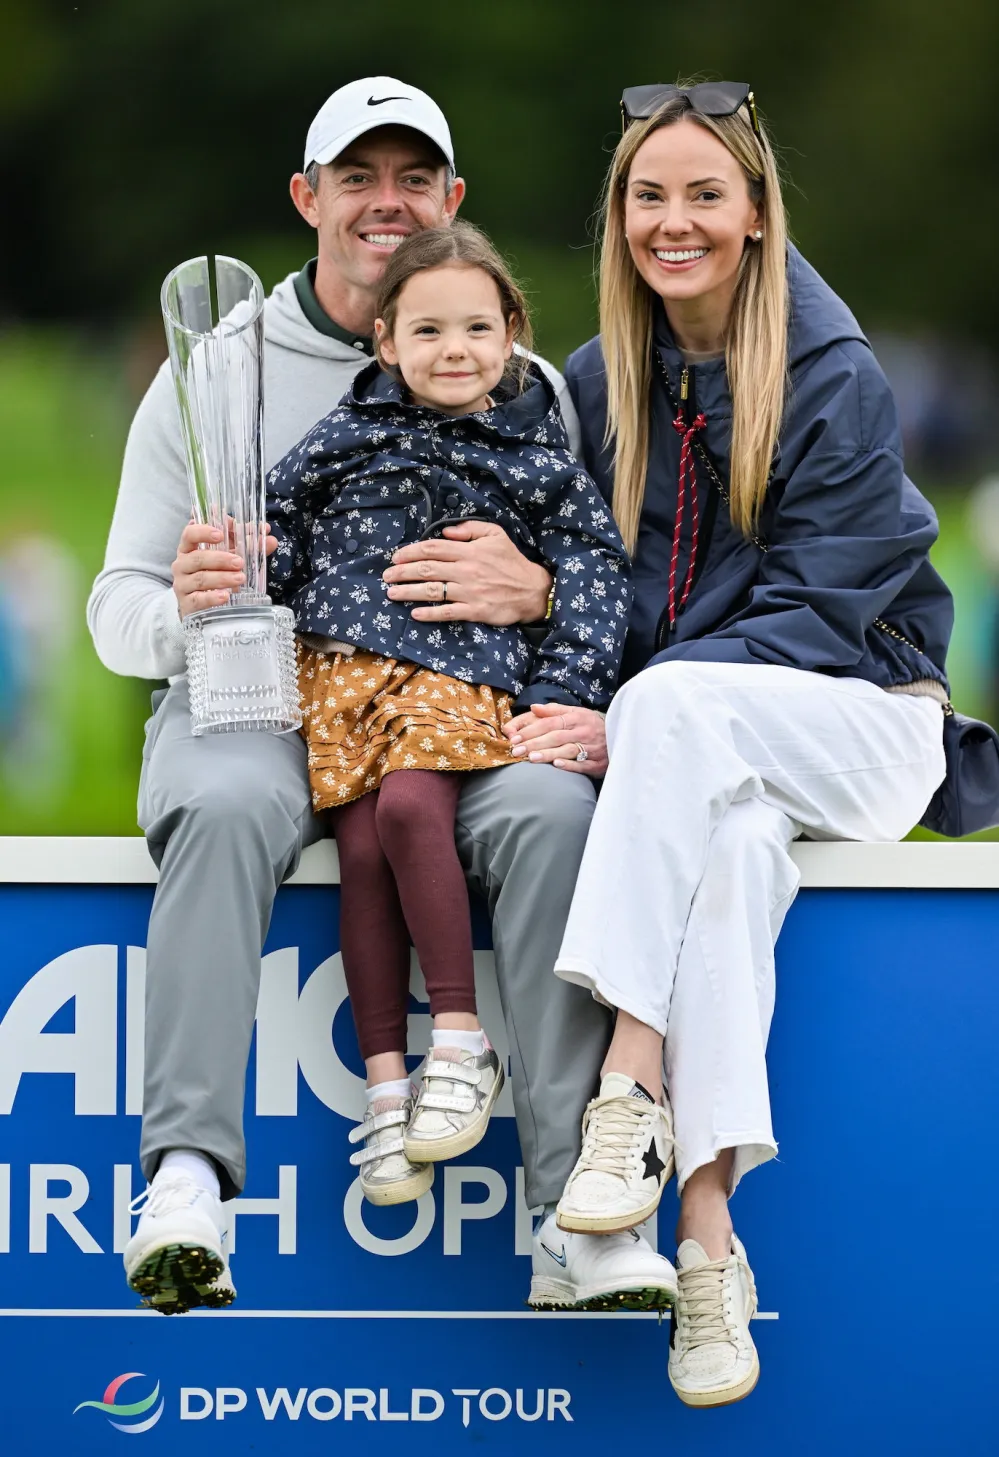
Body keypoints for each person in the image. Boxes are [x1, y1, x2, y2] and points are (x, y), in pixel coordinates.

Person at [87, 76, 675, 1314]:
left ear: (452, 200)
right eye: (357, 178)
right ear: (308, 198)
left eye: (414, 179)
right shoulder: (215, 367)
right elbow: (116, 609)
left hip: (459, 709)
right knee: (226, 802)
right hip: (261, 702)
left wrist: (533, 594)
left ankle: (573, 1215)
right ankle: (187, 1174)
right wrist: (193, 614)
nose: (386, 203)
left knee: (554, 815)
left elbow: (580, 568)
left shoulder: (516, 375)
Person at [507, 82, 951, 1403]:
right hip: (711, 753)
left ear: (755, 214)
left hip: (863, 725)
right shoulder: (598, 382)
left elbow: (819, 618)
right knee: (733, 858)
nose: (672, 220)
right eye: (648, 196)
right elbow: (586, 590)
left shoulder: (829, 371)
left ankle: (625, 1088)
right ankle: (705, 1251)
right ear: (618, 217)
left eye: (703, 193)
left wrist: (632, 703)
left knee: (665, 712)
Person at [265, 221, 631, 1207]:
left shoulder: (536, 454)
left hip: (454, 674)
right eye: (428, 331)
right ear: (386, 341)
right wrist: (247, 570)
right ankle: (388, 1088)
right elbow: (278, 525)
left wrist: (565, 685)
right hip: (341, 686)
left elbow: (596, 568)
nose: (455, 349)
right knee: (361, 848)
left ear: (513, 331)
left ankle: (461, 1041)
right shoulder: (347, 433)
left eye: (477, 326)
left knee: (412, 809)